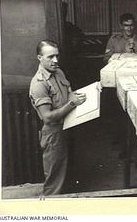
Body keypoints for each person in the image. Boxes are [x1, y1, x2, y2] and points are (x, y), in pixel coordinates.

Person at [29, 40, 87, 195]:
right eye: (50, 57)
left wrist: (83, 95)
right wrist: (72, 104)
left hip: (68, 126)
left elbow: (69, 92)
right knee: (55, 182)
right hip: (54, 134)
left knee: (68, 174)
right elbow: (47, 117)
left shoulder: (59, 72)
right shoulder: (38, 84)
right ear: (39, 58)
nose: (55, 60)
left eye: (57, 56)